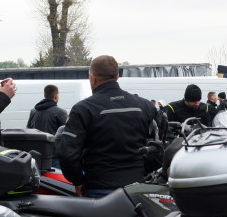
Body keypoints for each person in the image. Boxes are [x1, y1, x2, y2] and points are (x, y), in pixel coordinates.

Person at [58, 54, 158, 198]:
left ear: (93, 78)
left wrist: (78, 181)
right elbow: (159, 146)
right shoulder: (144, 105)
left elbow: (67, 153)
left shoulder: (83, 109)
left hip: (100, 189)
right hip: (137, 188)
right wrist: (141, 171)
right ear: (117, 76)